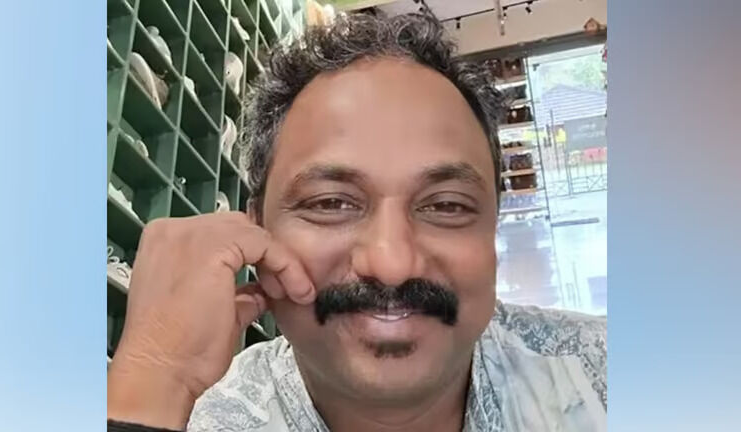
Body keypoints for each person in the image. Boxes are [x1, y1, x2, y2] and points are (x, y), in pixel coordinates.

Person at [107, 12, 606, 432]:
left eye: (447, 206)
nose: (391, 264)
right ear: (256, 231)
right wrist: (153, 380)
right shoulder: (201, 421)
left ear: (494, 223)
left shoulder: (603, 373)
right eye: (330, 203)